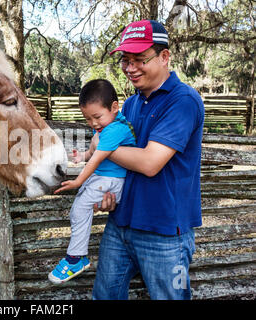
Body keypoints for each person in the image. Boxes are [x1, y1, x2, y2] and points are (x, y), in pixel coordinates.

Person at [91, 20, 204, 300]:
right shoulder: (130, 104)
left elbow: (149, 163)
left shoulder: (183, 101)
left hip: (165, 233)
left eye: (140, 59)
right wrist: (109, 190)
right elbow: (121, 160)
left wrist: (100, 146)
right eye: (125, 61)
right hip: (121, 225)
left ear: (164, 57)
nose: (130, 68)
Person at [48, 79, 136, 284]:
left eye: (97, 117)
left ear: (115, 107)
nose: (93, 123)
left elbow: (98, 158)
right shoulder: (105, 126)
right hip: (103, 178)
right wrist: (82, 157)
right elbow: (93, 152)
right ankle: (76, 255)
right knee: (80, 209)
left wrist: (78, 181)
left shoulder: (116, 129)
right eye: (88, 119)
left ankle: (76, 258)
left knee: (80, 208)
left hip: (111, 180)